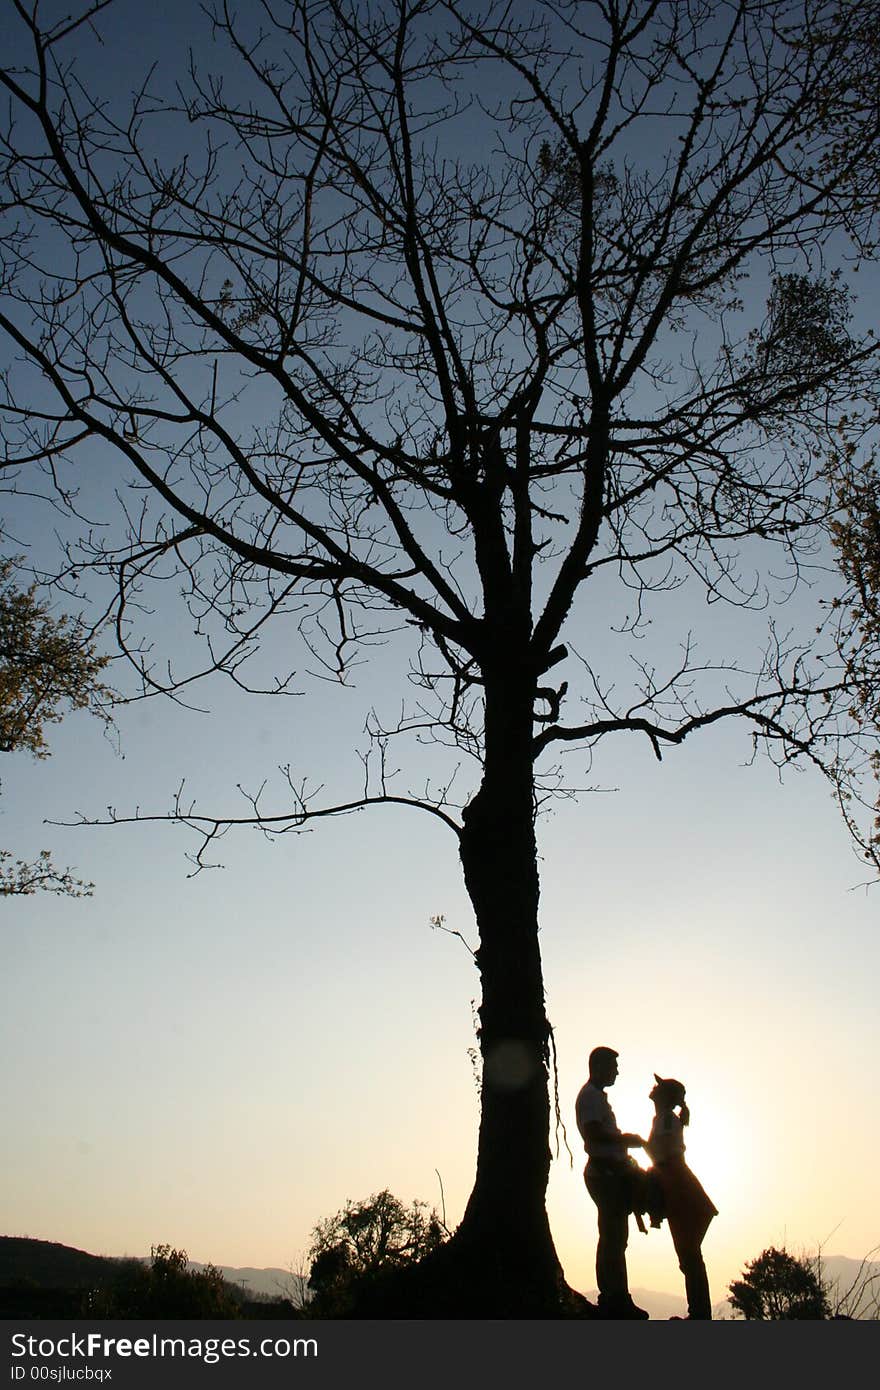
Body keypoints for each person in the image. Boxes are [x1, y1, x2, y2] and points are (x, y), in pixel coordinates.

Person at [575, 1045, 650, 1319]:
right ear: (599, 1067)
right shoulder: (591, 1098)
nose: (617, 1072)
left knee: (614, 1237)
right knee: (613, 1236)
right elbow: (594, 1134)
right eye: (613, 1067)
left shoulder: (595, 1097)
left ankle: (616, 1296)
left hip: (609, 1173)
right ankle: (614, 1299)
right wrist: (627, 1139)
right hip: (604, 1175)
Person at [646, 1074, 718, 1320]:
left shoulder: (666, 1119)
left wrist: (637, 1144)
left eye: (657, 1088)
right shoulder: (664, 1118)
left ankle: (699, 1312)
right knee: (689, 1254)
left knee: (688, 1253)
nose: (652, 1091)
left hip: (677, 1184)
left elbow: (662, 1149)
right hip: (675, 1182)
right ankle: (698, 1311)